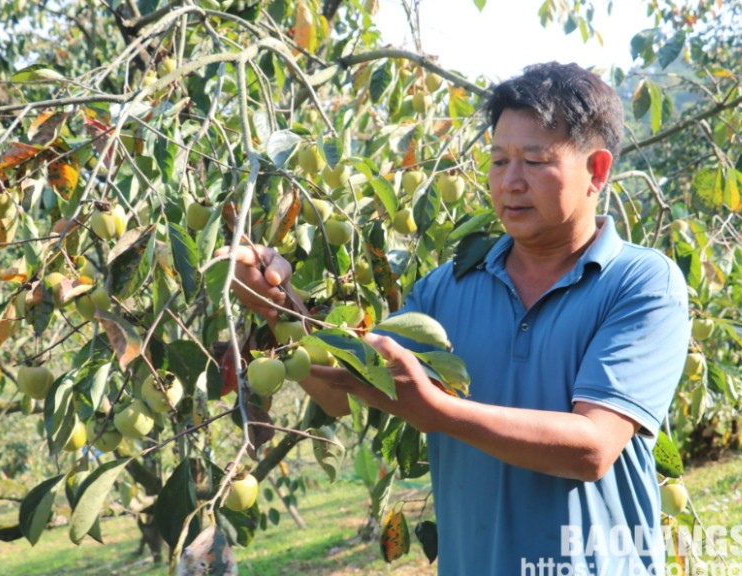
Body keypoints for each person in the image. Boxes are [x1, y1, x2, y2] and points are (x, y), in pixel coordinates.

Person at [220, 62, 690, 575]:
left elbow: (593, 448)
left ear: (596, 171)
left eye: (534, 161)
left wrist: (436, 411)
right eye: (498, 160)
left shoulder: (641, 283)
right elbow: (342, 387)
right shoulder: (446, 289)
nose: (510, 182)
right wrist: (277, 304)